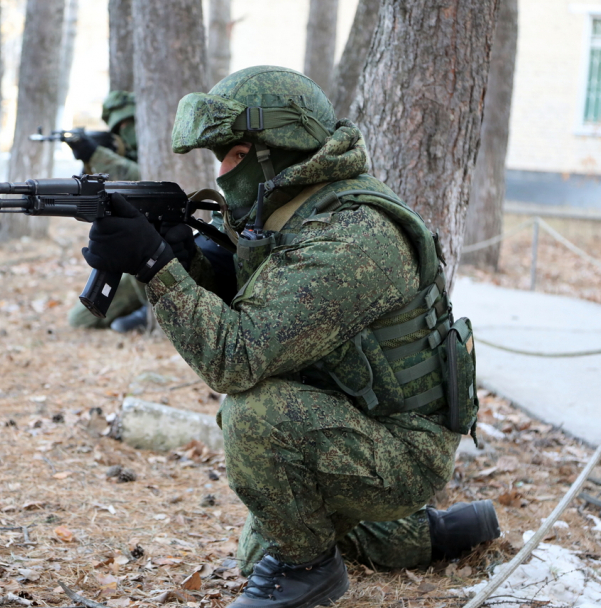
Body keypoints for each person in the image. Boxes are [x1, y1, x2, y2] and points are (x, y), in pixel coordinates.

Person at [80, 66, 500, 608]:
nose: (222, 171)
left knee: (255, 416)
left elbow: (238, 356)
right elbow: (262, 310)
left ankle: (310, 572)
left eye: (232, 155)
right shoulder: (294, 213)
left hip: (401, 448)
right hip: (350, 418)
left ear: (275, 149)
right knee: (260, 551)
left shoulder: (351, 235)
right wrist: (185, 261)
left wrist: (156, 265)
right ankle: (434, 533)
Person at [66, 91, 150, 332]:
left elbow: (140, 179)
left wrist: (96, 154)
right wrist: (90, 159)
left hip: (165, 258)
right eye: (120, 126)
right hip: (135, 265)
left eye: (130, 122)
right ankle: (140, 308)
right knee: (80, 319)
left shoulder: (161, 143)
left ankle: (151, 312)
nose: (126, 130)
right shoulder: (119, 154)